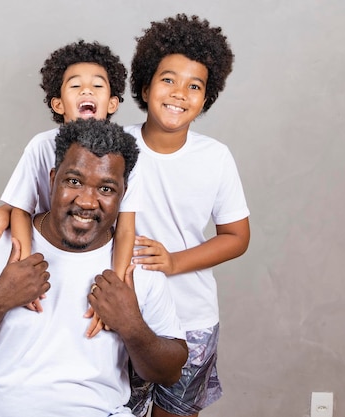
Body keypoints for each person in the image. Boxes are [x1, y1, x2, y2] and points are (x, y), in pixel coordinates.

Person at [0, 119, 188, 417]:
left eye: (106, 188)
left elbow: (170, 371)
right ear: (53, 179)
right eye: (74, 181)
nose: (87, 201)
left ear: (123, 193)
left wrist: (132, 325)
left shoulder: (137, 262)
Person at [0, 41, 143, 336]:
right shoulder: (41, 145)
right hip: (49, 250)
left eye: (97, 86)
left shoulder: (124, 152)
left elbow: (126, 228)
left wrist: (119, 283)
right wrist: (25, 269)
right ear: (58, 104)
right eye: (76, 86)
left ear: (112, 103)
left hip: (91, 252)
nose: (87, 91)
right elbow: (22, 209)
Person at [125, 14, 251, 417]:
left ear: (205, 97)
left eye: (194, 85)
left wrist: (175, 261)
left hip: (190, 319)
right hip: (124, 315)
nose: (180, 93)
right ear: (145, 86)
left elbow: (236, 236)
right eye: (168, 80)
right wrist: (8, 209)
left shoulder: (215, 157)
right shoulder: (114, 146)